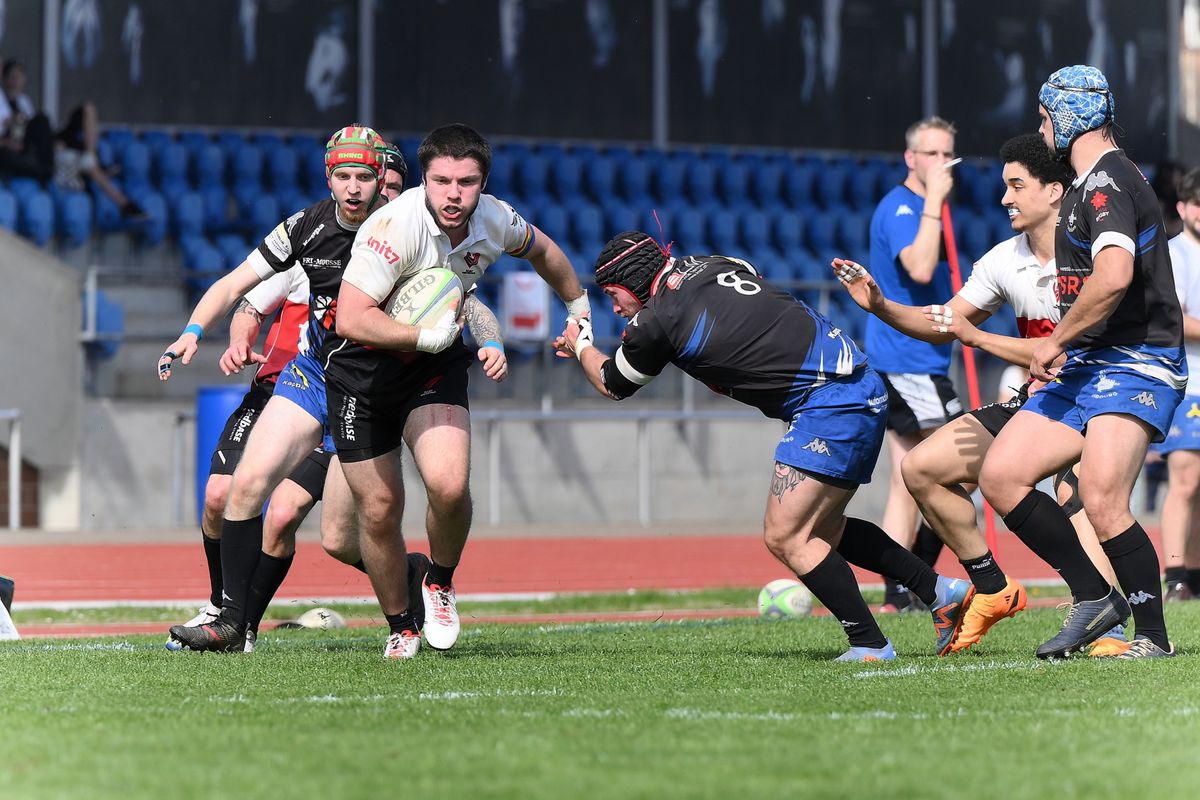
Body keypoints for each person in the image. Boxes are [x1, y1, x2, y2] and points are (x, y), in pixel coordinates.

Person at [162, 125, 508, 658]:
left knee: (343, 539)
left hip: (370, 389)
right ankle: (232, 622)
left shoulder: (404, 231)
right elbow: (239, 286)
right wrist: (191, 331)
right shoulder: (305, 227)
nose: (354, 188)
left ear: (381, 182)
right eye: (343, 176)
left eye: (365, 177)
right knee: (246, 486)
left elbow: (460, 299)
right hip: (314, 375)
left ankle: (418, 579)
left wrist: (489, 340)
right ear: (329, 178)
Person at [555, 231, 973, 661]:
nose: (614, 307)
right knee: (824, 529)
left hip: (830, 402)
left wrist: (581, 343)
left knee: (785, 536)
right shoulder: (713, 261)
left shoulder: (656, 321)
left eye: (613, 295)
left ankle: (869, 643)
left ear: (629, 284)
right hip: (857, 385)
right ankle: (941, 591)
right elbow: (750, 283)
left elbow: (612, 382)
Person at [834, 133, 1120, 654]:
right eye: (1003, 186)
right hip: (1038, 402)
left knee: (1074, 492)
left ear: (1055, 192)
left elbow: (1069, 349)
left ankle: (1111, 621)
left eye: (1016, 186)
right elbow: (948, 321)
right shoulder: (1002, 260)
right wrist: (881, 306)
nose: (1003, 198)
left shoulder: (1098, 254)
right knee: (922, 469)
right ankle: (992, 587)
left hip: (1099, 398)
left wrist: (987, 339)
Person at [326, 123, 588, 659]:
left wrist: (578, 307)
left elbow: (543, 251)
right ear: (424, 179)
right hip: (363, 373)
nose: (453, 193)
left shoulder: (494, 218)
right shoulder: (393, 227)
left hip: (432, 365)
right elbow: (350, 319)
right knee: (379, 509)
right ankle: (401, 626)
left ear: (482, 183)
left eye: (466, 182)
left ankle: (440, 582)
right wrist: (425, 334)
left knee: (448, 487)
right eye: (441, 180)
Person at [978, 65, 1184, 659]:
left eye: (1045, 117)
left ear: (1069, 116)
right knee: (1001, 473)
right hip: (1092, 365)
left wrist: (1055, 338)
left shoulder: (1108, 182)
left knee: (1100, 496)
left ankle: (1152, 638)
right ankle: (1094, 597)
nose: (1040, 128)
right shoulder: (1085, 182)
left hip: (1138, 362)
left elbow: (1115, 276)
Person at [165, 264, 332, 652]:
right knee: (217, 496)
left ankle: (244, 626)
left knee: (288, 518)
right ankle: (220, 609)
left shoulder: (387, 256)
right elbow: (248, 306)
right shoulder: (310, 246)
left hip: (333, 403)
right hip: (272, 392)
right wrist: (240, 342)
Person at [866, 116, 964, 612]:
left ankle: (900, 588)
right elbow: (920, 266)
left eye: (949, 154)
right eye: (932, 154)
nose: (942, 164)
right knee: (967, 464)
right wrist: (933, 202)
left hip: (921, 357)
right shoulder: (905, 207)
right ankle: (913, 579)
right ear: (911, 159)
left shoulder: (925, 205)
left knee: (909, 477)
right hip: (907, 361)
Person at [1159, 167, 1200, 602]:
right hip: (1187, 383)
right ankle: (1175, 575)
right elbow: (1174, 319)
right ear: (1184, 207)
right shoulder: (1175, 254)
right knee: (1185, 480)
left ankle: (1195, 573)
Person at [53, 102, 147, 219]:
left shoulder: (25, 103)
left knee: (89, 108)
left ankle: (91, 157)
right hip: (60, 161)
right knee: (91, 167)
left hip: (71, 152)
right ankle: (125, 205)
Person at [0, 58, 53, 181]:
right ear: (5, 77)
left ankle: (47, 169)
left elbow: (29, 128)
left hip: (21, 145)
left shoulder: (24, 101)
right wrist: (7, 142)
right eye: (13, 76)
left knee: (42, 120)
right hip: (5, 149)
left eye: (20, 76)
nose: (17, 80)